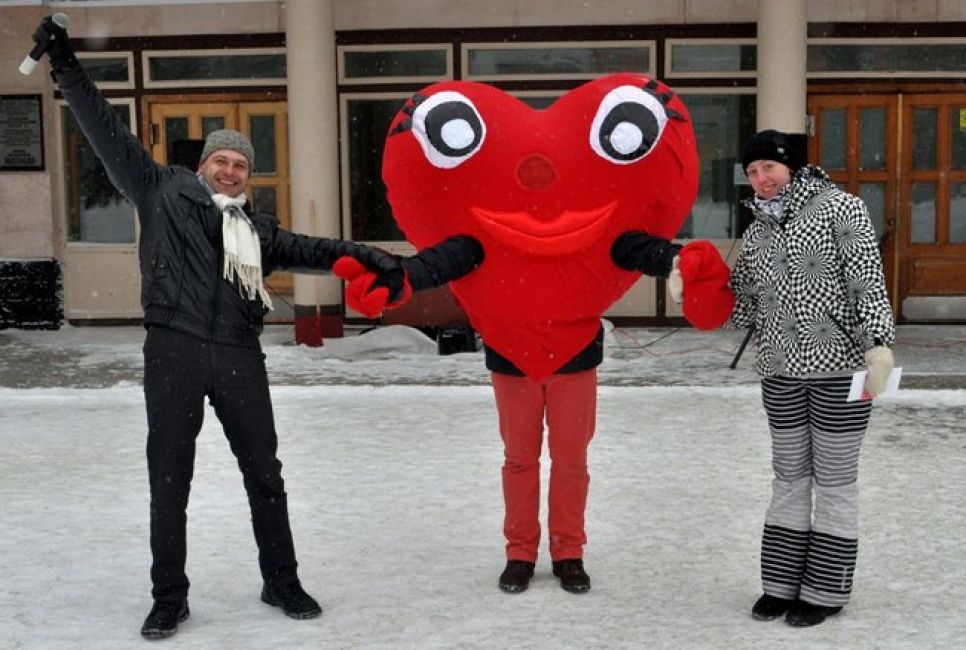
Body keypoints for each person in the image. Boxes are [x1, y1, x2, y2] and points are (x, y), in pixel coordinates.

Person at [29, 16, 404, 640]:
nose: (230, 170)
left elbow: (316, 248)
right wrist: (66, 65)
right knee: (170, 479)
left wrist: (372, 256)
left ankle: (280, 579)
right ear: (204, 165)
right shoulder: (158, 190)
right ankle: (169, 596)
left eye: (240, 164)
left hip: (237, 355)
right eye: (221, 160)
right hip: (173, 350)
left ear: (248, 176)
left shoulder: (257, 233)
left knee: (266, 473)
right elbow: (104, 130)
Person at [335, 72, 735, 596]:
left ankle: (569, 551)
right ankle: (519, 552)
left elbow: (637, 247)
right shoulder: (478, 238)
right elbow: (440, 261)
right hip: (511, 356)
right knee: (520, 460)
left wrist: (682, 263)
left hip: (575, 356)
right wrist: (394, 280)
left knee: (572, 462)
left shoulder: (600, 230)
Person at [729, 129, 896, 627]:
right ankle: (780, 585)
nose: (760, 180)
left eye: (768, 169)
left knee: (835, 479)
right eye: (753, 173)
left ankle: (825, 589)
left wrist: (879, 343)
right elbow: (741, 299)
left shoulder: (840, 208)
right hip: (779, 371)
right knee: (789, 477)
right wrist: (689, 291)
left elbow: (866, 277)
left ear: (792, 167)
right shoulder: (758, 228)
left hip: (839, 369)